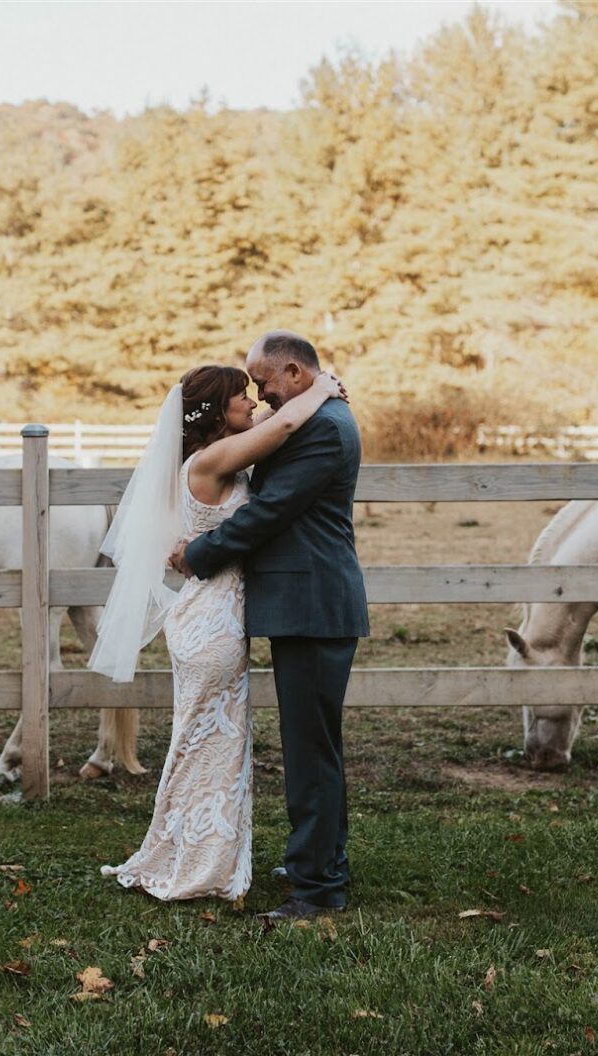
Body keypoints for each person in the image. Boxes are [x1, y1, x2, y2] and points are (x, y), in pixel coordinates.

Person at [90, 353, 347, 902]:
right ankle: (197, 865)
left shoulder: (209, 456)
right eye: (242, 395)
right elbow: (282, 425)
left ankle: (193, 853)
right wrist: (321, 388)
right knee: (207, 747)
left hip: (211, 618)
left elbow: (268, 431)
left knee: (203, 744)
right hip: (212, 624)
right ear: (215, 410)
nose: (253, 401)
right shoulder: (212, 461)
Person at [173, 330, 369, 921]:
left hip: (313, 602)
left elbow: (271, 509)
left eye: (264, 382)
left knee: (311, 752)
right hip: (306, 601)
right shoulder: (318, 417)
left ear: (294, 372)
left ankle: (315, 890)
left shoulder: (325, 430)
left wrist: (200, 554)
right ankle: (320, 861)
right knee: (316, 747)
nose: (261, 393)